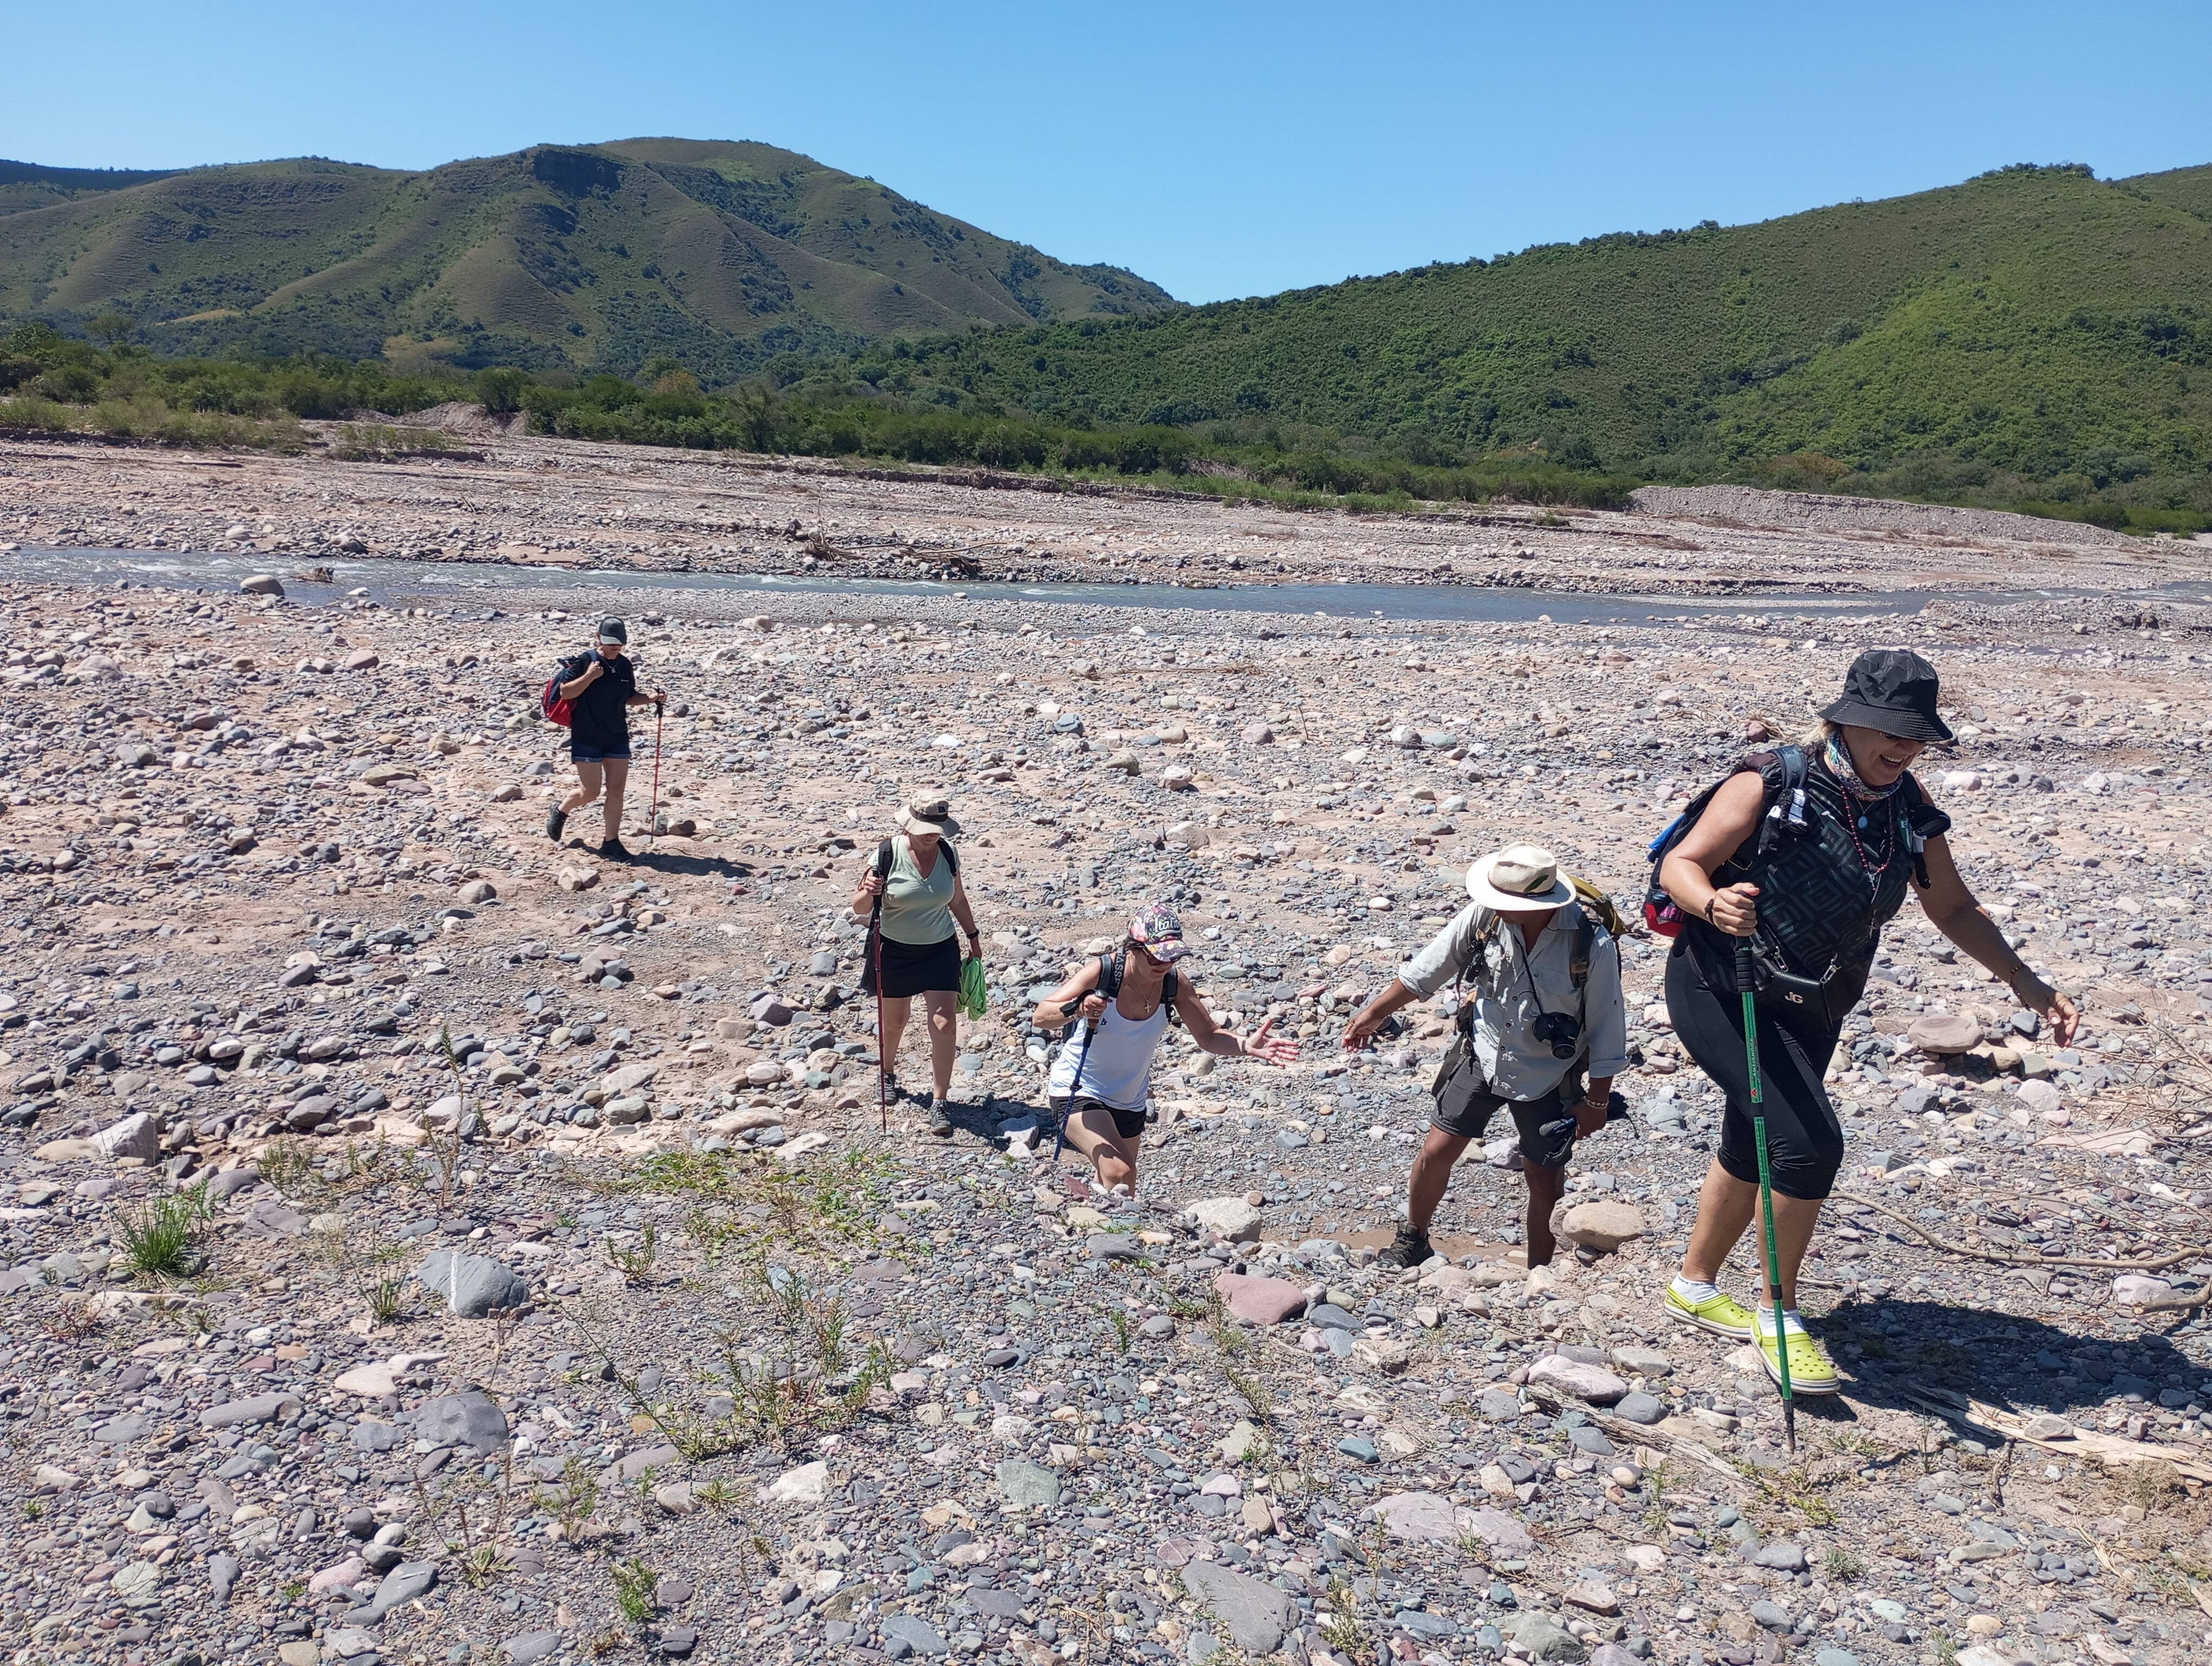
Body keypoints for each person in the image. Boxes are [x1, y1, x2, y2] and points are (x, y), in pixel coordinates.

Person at [1657, 648, 2080, 1395]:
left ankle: (1693, 1285)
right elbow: (1681, 867)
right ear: (1846, 722)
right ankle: (1778, 1315)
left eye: (1916, 735)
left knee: (1756, 1136)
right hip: (1723, 985)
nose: (1904, 747)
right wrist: (1713, 903)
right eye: (1890, 730)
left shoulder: (1907, 806)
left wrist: (2026, 981)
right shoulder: (1771, 781)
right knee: (1809, 1143)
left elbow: (1952, 907)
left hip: (1817, 999)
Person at [1342, 844, 1629, 1272]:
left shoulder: (1591, 943)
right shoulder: (1486, 917)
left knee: (1544, 1177)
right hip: (1484, 1051)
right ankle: (1413, 1241)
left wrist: (1597, 1102)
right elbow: (1427, 970)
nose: (1493, 904)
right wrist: (1374, 1013)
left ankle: (1538, 1275)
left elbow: (1609, 1026)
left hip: (1550, 1073)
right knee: (1436, 1150)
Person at [1033, 904, 1298, 1195]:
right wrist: (1079, 1008)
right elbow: (1042, 1016)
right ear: (1133, 949)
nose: (1164, 964)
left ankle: (1092, 1214)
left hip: (1130, 1100)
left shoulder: (1174, 983)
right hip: (1078, 1090)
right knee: (1120, 1172)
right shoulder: (1103, 972)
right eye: (1156, 956)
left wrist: (1246, 1045)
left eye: (1172, 956)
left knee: (1119, 1185)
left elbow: (1209, 1036)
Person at [853, 796, 983, 1137]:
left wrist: (973, 936)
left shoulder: (948, 853)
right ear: (909, 826)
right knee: (895, 1021)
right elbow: (859, 907)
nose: (933, 834)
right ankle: (886, 1074)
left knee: (944, 1023)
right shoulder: (886, 854)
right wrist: (869, 891)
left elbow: (957, 898)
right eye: (927, 828)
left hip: (940, 949)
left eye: (938, 829)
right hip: (894, 950)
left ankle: (940, 1101)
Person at [545, 617, 664, 862]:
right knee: (591, 792)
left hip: (616, 734)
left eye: (619, 643)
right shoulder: (586, 660)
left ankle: (611, 842)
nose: (615, 647)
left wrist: (650, 698)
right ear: (598, 637)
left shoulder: (624, 664)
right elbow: (566, 693)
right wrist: (589, 676)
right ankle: (561, 808)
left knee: (616, 791)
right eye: (610, 642)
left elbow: (629, 696)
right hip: (587, 735)